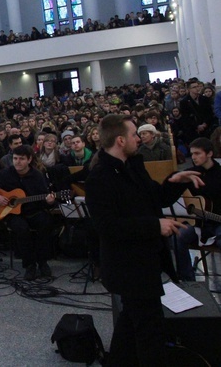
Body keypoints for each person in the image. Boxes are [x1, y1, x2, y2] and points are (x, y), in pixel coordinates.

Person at [86, 114, 202, 366]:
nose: (138, 139)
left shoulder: (133, 166)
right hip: (127, 264)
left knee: (132, 319)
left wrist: (175, 181)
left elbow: (156, 198)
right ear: (120, 140)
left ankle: (116, 361)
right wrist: (154, 225)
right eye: (134, 135)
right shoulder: (99, 177)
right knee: (149, 328)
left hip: (145, 258)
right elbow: (107, 227)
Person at [0, 145, 56, 281]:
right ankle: (29, 265)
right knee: (22, 229)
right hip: (13, 213)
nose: (17, 162)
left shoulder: (37, 176)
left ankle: (43, 261)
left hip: (33, 211)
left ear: (29, 160)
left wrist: (49, 201)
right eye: (15, 158)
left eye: (21, 159)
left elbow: (43, 199)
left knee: (46, 223)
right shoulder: (7, 173)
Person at [174, 137, 221, 281]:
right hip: (198, 223)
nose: (193, 157)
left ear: (209, 154)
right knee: (178, 236)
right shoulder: (190, 174)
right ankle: (188, 280)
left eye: (197, 153)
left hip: (217, 221)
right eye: (192, 154)